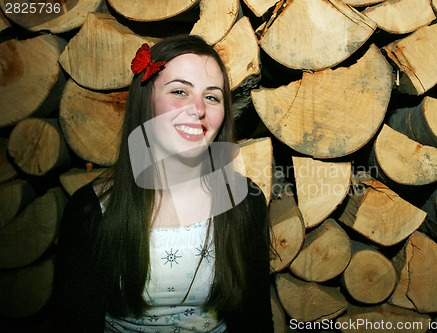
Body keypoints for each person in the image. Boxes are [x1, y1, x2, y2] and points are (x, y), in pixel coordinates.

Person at [52, 35, 274, 332]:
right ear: (146, 102)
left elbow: (255, 320)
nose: (198, 110)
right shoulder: (91, 209)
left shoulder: (244, 200)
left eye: (212, 96)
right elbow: (73, 322)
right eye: (180, 91)